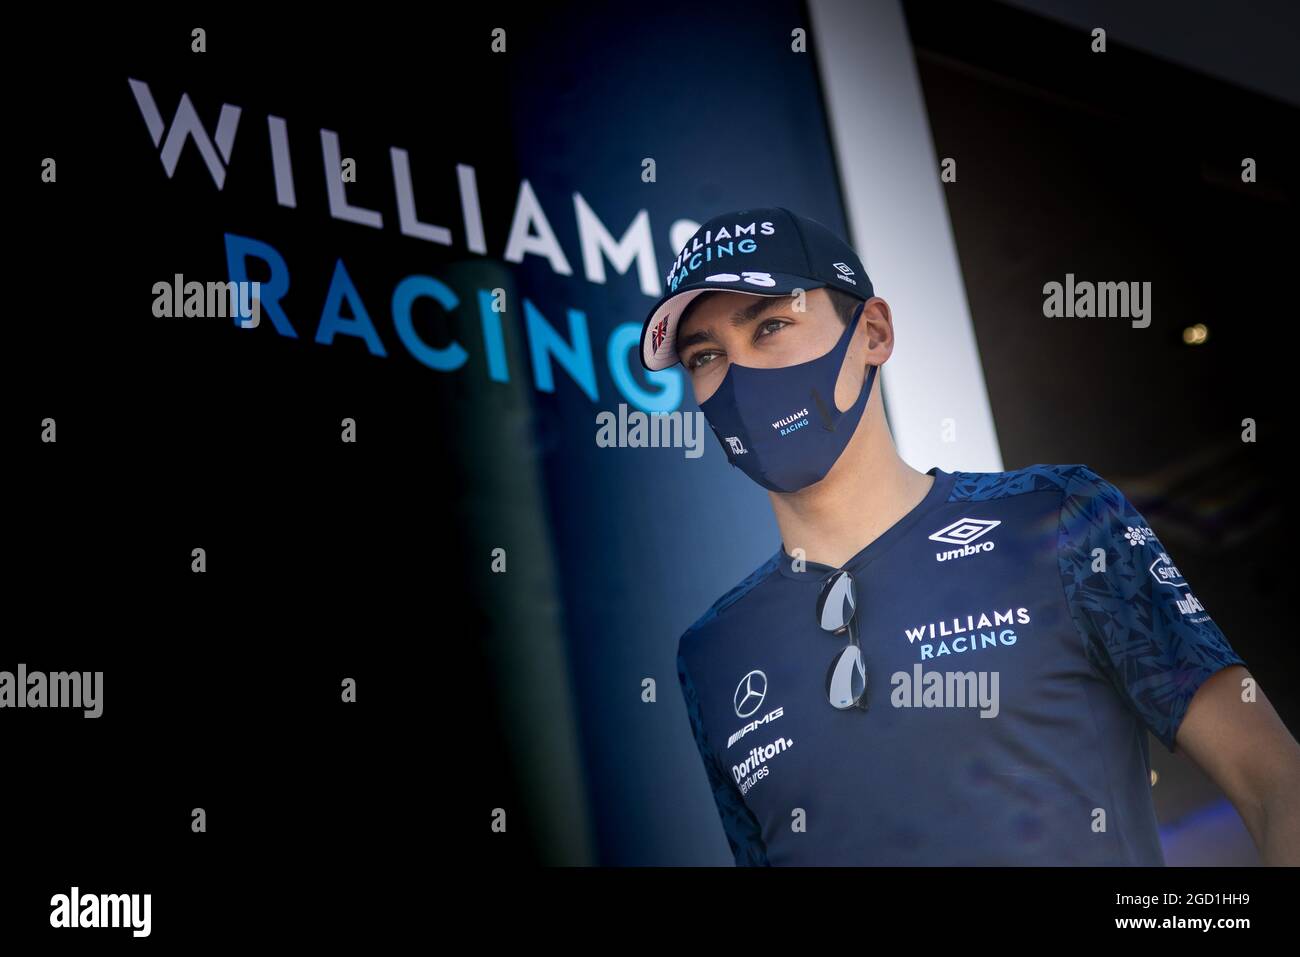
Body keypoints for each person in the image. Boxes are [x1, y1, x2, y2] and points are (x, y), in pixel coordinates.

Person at [640, 206, 1300, 865]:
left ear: (872, 332)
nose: (741, 376)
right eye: (705, 355)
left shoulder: (1059, 514)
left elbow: (1277, 784)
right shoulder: (712, 653)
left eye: (772, 325)